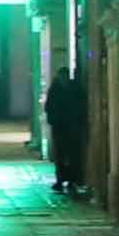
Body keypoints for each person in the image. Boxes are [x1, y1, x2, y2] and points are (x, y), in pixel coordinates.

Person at [43, 68, 89, 198]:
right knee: (60, 155)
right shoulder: (56, 89)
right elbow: (49, 107)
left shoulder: (72, 88)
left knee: (73, 154)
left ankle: (71, 180)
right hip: (60, 127)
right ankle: (61, 180)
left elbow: (81, 105)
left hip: (71, 127)